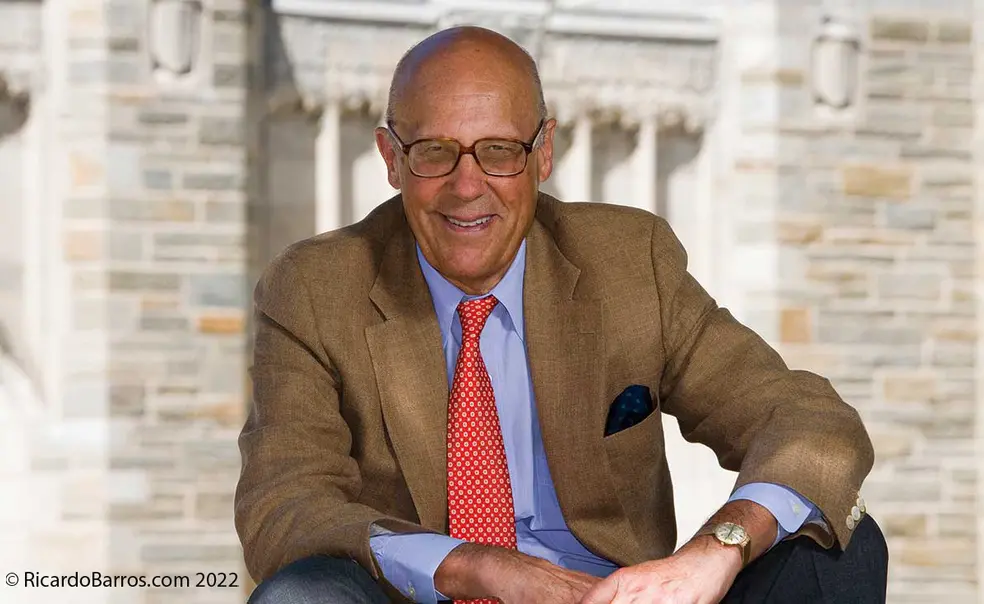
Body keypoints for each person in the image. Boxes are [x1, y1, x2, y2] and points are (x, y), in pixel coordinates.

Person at [235, 26, 888, 604]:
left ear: (543, 152)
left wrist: (720, 545)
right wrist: (474, 566)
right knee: (302, 593)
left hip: (611, 594)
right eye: (435, 151)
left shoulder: (629, 262)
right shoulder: (315, 287)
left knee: (835, 539)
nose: (468, 186)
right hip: (423, 596)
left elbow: (805, 418)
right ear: (391, 158)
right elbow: (283, 509)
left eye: (499, 151)